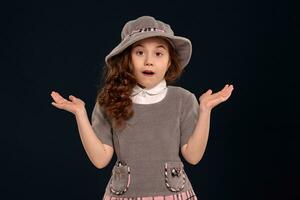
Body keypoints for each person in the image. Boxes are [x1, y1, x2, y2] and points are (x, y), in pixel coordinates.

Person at [50, 16, 234, 200]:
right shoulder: (109, 101)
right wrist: (80, 114)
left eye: (158, 53)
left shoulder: (183, 99)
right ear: (127, 59)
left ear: (170, 61)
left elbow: (193, 156)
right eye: (139, 52)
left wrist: (205, 110)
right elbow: (100, 160)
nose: (149, 61)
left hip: (174, 194)